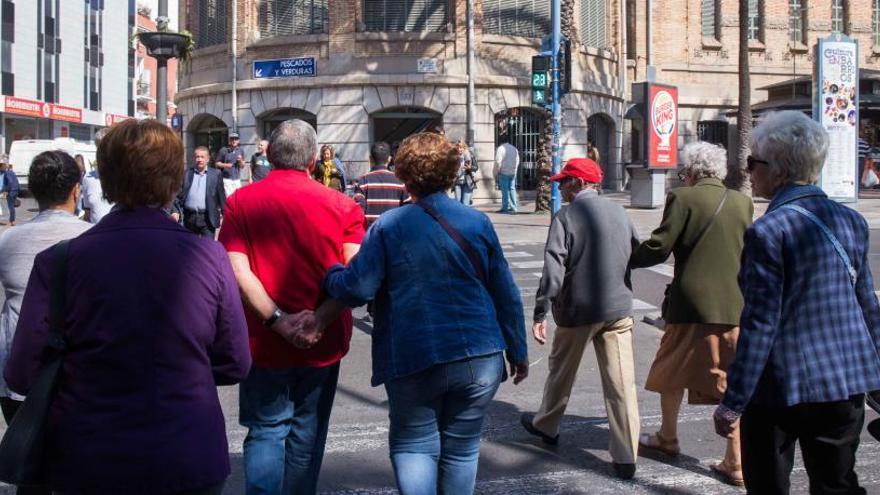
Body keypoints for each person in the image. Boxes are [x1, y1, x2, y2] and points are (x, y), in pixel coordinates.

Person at [3, 119, 251, 494]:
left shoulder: (59, 261)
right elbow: (235, 361)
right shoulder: (208, 256)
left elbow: (22, 372)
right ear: (172, 179)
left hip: (88, 456)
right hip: (186, 452)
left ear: (107, 176)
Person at [313, 132, 529, 495]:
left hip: (414, 353)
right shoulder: (477, 223)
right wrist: (518, 350)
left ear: (404, 174)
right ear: (450, 173)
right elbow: (505, 292)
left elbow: (359, 288)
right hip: (480, 354)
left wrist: (331, 274)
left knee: (415, 444)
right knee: (462, 449)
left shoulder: (389, 227)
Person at [713, 111, 880, 494]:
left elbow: (760, 322)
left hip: (780, 388)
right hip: (845, 382)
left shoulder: (768, 231)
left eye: (754, 163)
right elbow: (866, 304)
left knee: (769, 485)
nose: (749, 171)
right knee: (837, 484)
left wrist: (733, 402)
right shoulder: (852, 221)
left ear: (779, 170)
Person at [217, 119, 364, 495]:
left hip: (263, 341)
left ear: (267, 154)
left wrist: (277, 321)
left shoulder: (240, 203)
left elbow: (236, 268)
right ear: (313, 160)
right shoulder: (343, 206)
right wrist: (319, 320)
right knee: (306, 435)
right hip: (323, 340)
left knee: (266, 430)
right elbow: (356, 274)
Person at [632, 141, 753, 486]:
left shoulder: (683, 198)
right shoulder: (743, 202)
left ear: (693, 171)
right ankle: (736, 460)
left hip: (690, 304)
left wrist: (625, 258)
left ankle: (668, 437)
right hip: (734, 304)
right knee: (729, 377)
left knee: (671, 368)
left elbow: (659, 246)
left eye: (684, 172)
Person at [520, 157, 641, 480]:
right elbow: (638, 251)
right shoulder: (619, 211)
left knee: (561, 371)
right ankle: (626, 455)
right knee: (621, 383)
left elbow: (554, 268)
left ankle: (547, 424)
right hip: (617, 307)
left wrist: (540, 310)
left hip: (578, 309)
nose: (561, 186)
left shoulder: (566, 216)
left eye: (566, 181)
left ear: (581, 183)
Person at [0, 151, 91, 430]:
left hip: (15, 369)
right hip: (77, 373)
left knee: (27, 466)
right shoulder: (93, 239)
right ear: (77, 190)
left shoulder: (8, 240)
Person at [171, 146, 227, 238]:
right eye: (197, 157)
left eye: (202, 157)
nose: (199, 159)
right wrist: (175, 211)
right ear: (194, 158)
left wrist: (225, 217)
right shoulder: (186, 174)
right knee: (190, 249)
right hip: (189, 218)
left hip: (208, 218)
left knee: (208, 249)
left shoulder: (216, 174)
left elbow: (221, 197)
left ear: (208, 159)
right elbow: (175, 195)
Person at [355, 141, 409, 227]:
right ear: (389, 159)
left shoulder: (362, 181)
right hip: (394, 232)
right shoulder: (400, 181)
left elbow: (358, 211)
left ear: (370, 159)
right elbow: (408, 210)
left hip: (370, 234)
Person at [81, 128, 114, 224]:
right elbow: (88, 213)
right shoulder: (88, 178)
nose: (103, 153)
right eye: (99, 148)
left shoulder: (128, 177)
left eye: (108, 148)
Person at [493, 136, 520, 214]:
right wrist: (515, 170)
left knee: (504, 191)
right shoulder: (514, 148)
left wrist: (497, 171)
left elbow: (498, 161)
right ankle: (514, 207)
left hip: (504, 172)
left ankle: (505, 208)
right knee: (512, 189)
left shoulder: (500, 149)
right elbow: (517, 160)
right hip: (512, 172)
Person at [216, 132, 246, 198]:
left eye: (236, 139)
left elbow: (243, 166)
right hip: (226, 179)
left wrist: (240, 160)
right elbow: (217, 163)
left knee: (238, 197)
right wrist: (226, 165)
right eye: (232, 139)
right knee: (229, 198)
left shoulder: (241, 150)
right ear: (229, 140)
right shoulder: (223, 150)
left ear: (238, 141)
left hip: (237, 178)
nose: (234, 141)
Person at [453, 140, 478, 205]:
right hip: (457, 182)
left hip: (468, 182)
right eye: (457, 148)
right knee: (457, 203)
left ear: (464, 148)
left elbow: (476, 167)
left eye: (461, 147)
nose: (459, 149)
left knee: (465, 203)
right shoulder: (454, 157)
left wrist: (470, 168)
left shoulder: (470, 155)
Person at [0, 161, 19, 226]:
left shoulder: (6, 173)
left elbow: (10, 183)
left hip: (11, 192)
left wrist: (4, 190)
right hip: (15, 191)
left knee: (11, 207)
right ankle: (12, 221)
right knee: (12, 207)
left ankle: (12, 221)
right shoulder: (12, 172)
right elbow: (16, 182)